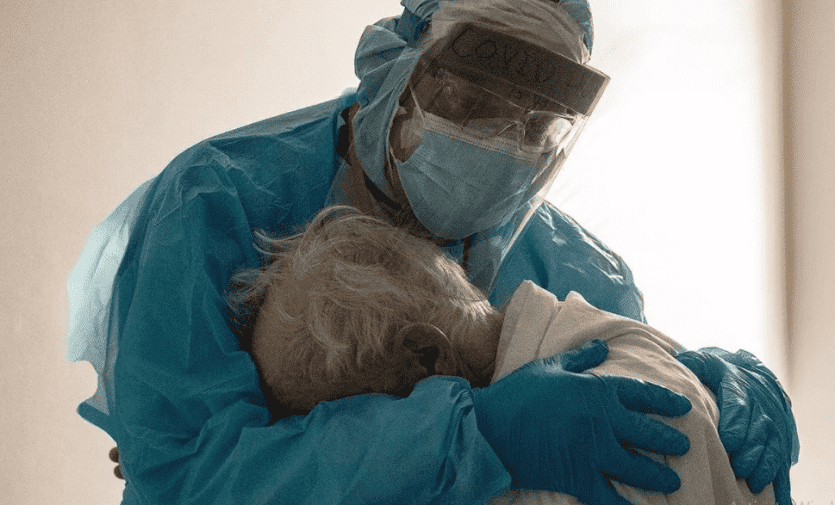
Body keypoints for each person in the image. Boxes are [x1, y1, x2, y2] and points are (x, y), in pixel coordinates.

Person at [68, 0, 798, 503]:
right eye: (473, 100)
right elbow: (185, 477)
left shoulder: (573, 268)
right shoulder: (217, 202)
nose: (501, 141)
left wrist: (707, 379)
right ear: (393, 66)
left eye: (536, 124)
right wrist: (471, 433)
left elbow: (637, 408)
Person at [230, 204, 777, 504]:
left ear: (427, 357)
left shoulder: (570, 470)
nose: (362, 450)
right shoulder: (615, 338)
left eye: (352, 419)